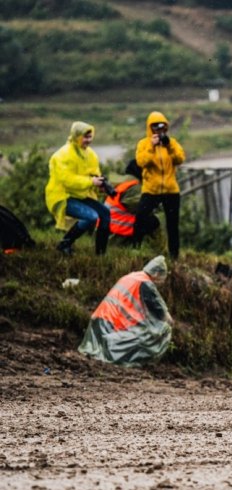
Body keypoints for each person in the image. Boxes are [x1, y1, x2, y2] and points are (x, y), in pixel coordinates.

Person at [78, 255, 173, 366]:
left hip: (98, 320)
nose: (161, 283)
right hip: (112, 325)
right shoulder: (146, 283)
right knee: (163, 329)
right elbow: (160, 311)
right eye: (162, 279)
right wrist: (168, 322)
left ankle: (106, 351)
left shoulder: (131, 276)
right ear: (157, 274)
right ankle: (134, 360)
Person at [44, 121, 111, 256]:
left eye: (90, 137)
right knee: (91, 217)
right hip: (62, 195)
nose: (88, 140)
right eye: (85, 137)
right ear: (76, 136)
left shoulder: (90, 154)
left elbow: (94, 175)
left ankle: (101, 254)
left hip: (80, 194)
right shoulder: (63, 155)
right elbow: (67, 180)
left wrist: (100, 186)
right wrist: (90, 181)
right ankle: (65, 244)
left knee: (105, 213)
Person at [134, 112, 185, 259]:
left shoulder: (172, 143)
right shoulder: (143, 143)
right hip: (151, 189)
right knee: (140, 218)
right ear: (150, 128)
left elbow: (180, 159)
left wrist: (169, 146)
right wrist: (152, 145)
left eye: (162, 127)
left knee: (172, 225)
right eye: (155, 127)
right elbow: (141, 162)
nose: (159, 130)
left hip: (171, 190)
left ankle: (174, 255)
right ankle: (136, 248)